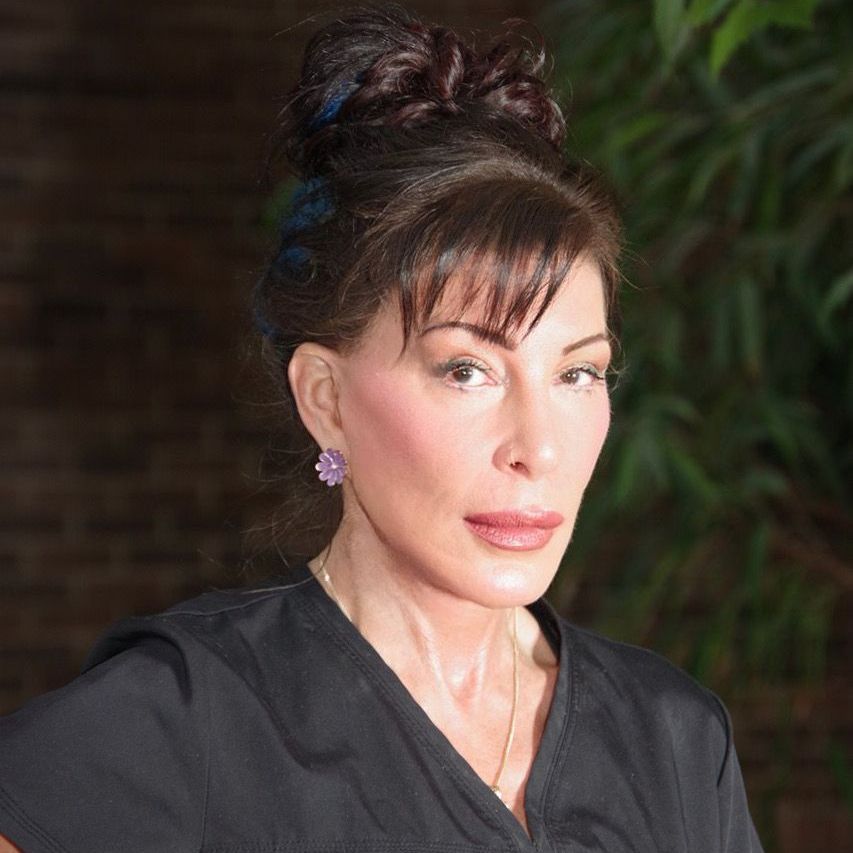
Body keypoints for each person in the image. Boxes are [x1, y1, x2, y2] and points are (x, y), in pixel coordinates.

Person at [0, 4, 763, 851]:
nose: (537, 447)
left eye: (575, 371)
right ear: (325, 397)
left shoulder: (675, 737)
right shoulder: (184, 721)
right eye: (466, 369)